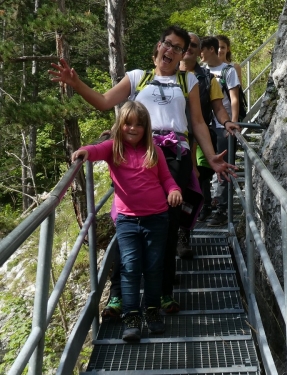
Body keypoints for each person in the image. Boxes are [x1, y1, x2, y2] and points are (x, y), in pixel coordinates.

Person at [49, 26, 237, 315]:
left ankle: (163, 293)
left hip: (174, 155)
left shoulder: (188, 81)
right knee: (128, 221)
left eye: (178, 47)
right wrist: (76, 84)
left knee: (168, 225)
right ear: (158, 47)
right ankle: (117, 294)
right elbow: (103, 101)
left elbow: (197, 122)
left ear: (184, 54)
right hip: (137, 152)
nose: (171, 50)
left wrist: (210, 157)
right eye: (167, 44)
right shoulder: (138, 77)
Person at [72, 101, 182, 342]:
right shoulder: (113, 148)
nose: (133, 128)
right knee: (130, 268)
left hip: (157, 218)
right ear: (119, 126)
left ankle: (151, 313)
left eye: (139, 125)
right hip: (127, 221)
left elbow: (166, 178)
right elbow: (96, 150)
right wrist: (84, 152)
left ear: (146, 128)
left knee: (154, 268)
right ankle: (131, 318)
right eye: (128, 124)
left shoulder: (155, 150)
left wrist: (174, 190)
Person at [176, 32, 241, 258]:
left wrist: (228, 121)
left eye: (194, 45)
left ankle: (184, 234)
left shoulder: (207, 78)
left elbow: (218, 107)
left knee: (193, 188)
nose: (190, 49)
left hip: (199, 141)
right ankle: (174, 238)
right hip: (169, 144)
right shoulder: (165, 74)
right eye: (186, 45)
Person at [200, 36, 240, 227]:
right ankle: (204, 205)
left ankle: (223, 209)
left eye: (202, 49)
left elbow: (234, 98)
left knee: (224, 165)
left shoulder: (228, 70)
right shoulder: (201, 71)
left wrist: (232, 122)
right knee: (203, 167)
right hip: (205, 124)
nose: (199, 53)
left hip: (222, 125)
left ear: (210, 49)